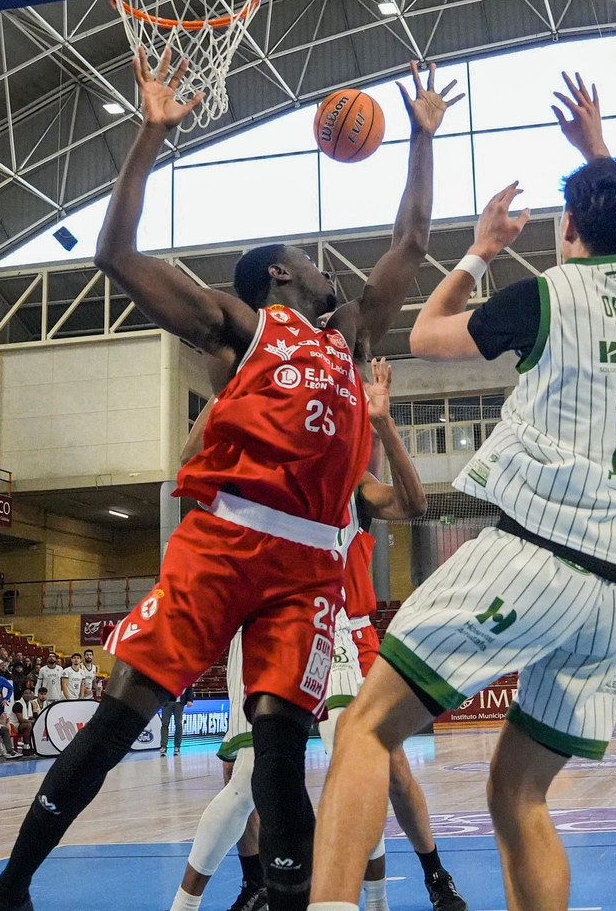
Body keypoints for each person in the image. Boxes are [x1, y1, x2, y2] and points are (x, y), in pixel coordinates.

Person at [0, 52, 456, 911]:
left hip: (306, 567)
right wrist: (151, 132)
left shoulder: (347, 334)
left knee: (280, 744)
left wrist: (420, 139)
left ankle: (287, 897)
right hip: (225, 539)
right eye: (308, 259)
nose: (324, 267)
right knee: (122, 715)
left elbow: (411, 244)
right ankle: (10, 887)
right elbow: (115, 252)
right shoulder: (239, 324)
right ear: (278, 274)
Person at [310, 74, 616, 911]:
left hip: (536, 558)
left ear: (567, 230)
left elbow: (424, 334)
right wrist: (601, 152)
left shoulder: (550, 295)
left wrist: (483, 248)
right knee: (518, 794)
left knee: (367, 726)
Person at [172, 362, 466, 911]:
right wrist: (225, 390)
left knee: (360, 764)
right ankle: (208, 897)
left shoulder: (346, 479)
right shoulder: (255, 464)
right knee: (244, 783)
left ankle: (392, 891)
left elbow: (415, 505)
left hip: (334, 632)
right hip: (260, 632)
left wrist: (383, 423)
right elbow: (189, 469)